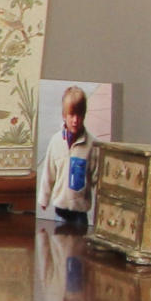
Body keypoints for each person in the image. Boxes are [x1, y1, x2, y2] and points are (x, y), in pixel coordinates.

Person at [40, 85, 97, 225]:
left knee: (80, 238)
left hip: (80, 212)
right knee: (59, 236)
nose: (75, 120)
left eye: (79, 115)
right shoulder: (56, 141)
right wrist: (44, 198)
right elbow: (48, 173)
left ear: (84, 115)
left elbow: (97, 177)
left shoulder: (92, 145)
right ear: (64, 115)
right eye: (71, 115)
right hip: (60, 210)